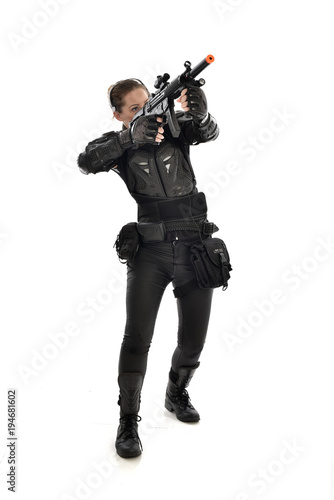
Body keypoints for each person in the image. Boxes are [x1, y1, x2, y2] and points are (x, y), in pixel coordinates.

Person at [77, 75, 219, 458]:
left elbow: (208, 131)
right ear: (119, 115)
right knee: (137, 338)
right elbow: (85, 161)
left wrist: (200, 114)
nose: (146, 113)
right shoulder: (120, 146)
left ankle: (176, 392)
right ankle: (127, 420)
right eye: (135, 109)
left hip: (194, 247)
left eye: (148, 104)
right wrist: (129, 137)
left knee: (193, 341)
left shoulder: (176, 130)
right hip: (150, 253)